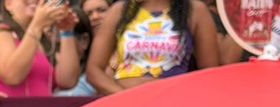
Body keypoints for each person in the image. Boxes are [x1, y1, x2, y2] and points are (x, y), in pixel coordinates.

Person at [86, 0, 216, 92]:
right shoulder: (119, 10)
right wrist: (122, 96)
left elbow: (210, 74)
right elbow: (94, 70)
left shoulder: (195, 10)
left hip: (172, 105)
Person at [0, 0, 81, 95]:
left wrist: (66, 31)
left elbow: (67, 81)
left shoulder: (40, 40)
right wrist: (37, 25)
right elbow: (12, 76)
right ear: (8, 4)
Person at [55, 5, 96, 95]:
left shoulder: (96, 81)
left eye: (62, 37)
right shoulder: (45, 77)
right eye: (49, 33)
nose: (54, 41)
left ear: (84, 40)